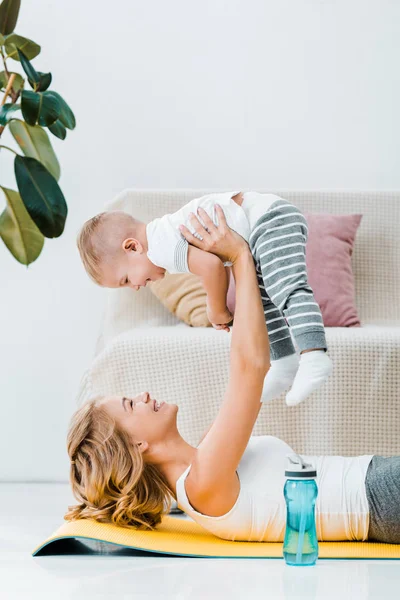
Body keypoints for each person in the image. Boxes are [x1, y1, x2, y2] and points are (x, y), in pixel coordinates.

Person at [67, 208, 399, 544]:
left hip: (379, 479)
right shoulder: (202, 483)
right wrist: (240, 255)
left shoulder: (202, 465)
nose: (143, 396)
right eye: (130, 404)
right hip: (381, 497)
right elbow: (251, 368)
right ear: (137, 445)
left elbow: (245, 368)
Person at [76, 191, 332, 406]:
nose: (134, 287)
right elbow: (221, 258)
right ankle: (284, 362)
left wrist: (216, 309)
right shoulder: (163, 236)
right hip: (257, 228)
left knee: (286, 287)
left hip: (270, 220)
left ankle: (314, 355)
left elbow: (211, 266)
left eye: (126, 280)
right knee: (265, 300)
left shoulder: (160, 245)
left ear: (133, 247)